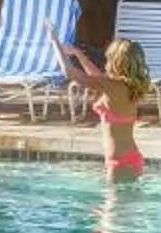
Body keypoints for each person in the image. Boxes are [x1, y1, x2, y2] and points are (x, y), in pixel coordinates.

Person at [59, 36, 151, 174]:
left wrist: (54, 42)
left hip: (118, 162)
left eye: (109, 58)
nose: (106, 62)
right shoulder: (129, 87)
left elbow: (69, 72)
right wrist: (77, 53)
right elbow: (96, 76)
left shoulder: (112, 86)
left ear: (116, 62)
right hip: (133, 158)